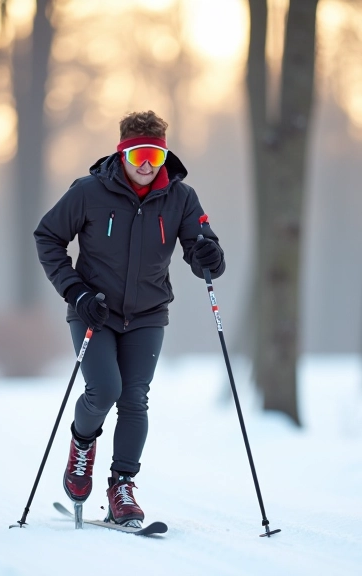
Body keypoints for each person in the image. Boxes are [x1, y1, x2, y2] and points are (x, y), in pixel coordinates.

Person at [33, 111, 225, 526]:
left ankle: (122, 487)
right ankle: (82, 445)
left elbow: (201, 249)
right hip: (93, 310)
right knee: (104, 390)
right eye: (139, 154)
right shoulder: (88, 192)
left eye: (155, 157)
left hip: (147, 314)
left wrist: (209, 255)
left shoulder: (180, 197)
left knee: (134, 398)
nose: (146, 164)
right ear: (122, 152)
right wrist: (76, 290)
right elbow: (47, 237)